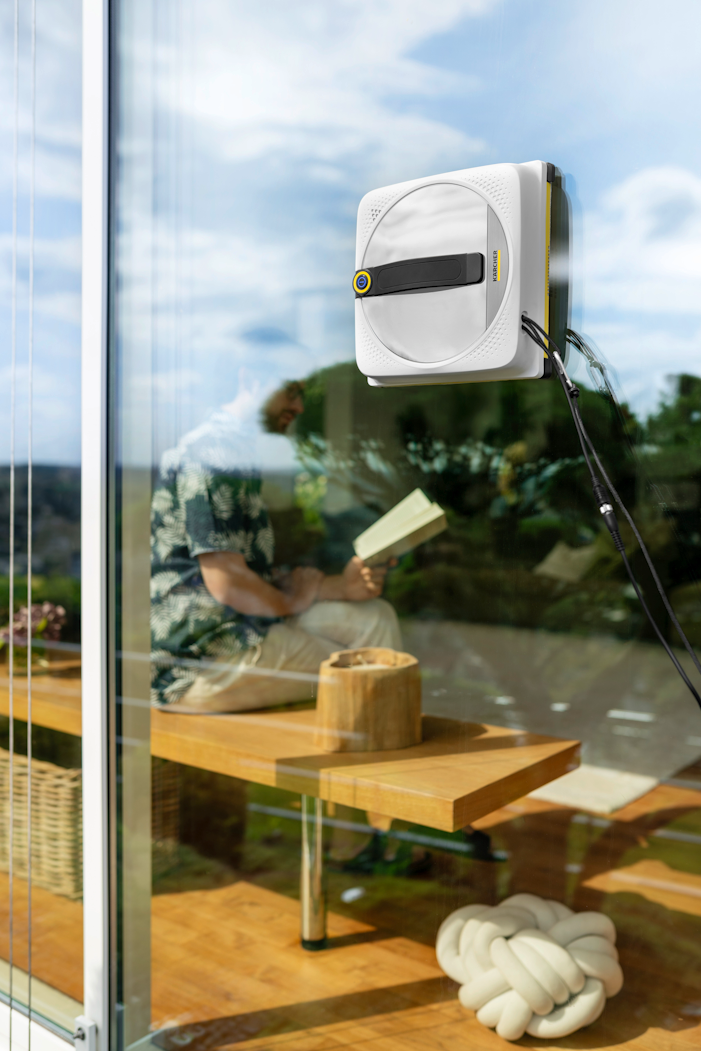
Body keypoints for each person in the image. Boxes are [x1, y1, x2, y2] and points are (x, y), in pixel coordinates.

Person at [150, 377, 401, 712]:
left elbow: (243, 574)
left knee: (375, 617)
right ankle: (378, 738)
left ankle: (377, 732)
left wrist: (339, 586)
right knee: (370, 668)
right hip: (202, 664)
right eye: (291, 392)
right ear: (250, 378)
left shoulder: (232, 449)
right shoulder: (213, 452)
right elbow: (228, 583)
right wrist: (292, 600)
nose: (299, 407)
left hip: (242, 628)